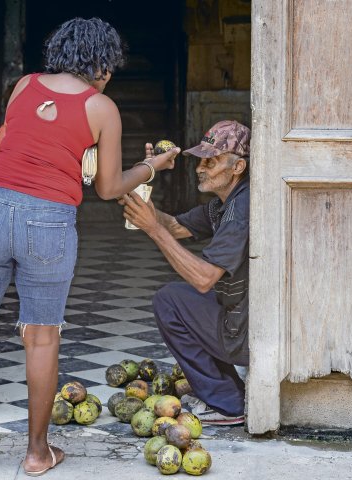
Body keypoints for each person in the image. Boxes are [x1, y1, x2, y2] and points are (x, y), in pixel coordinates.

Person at [0, 17, 180, 474]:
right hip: (48, 219)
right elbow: (109, 187)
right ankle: (37, 453)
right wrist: (152, 166)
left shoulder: (24, 86)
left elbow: (23, 142)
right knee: (41, 336)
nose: (110, 75)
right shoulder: (102, 108)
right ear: (100, 64)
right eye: (110, 66)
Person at [119, 120, 250, 426]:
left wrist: (152, 229)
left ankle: (229, 404)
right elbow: (176, 226)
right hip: (241, 316)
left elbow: (204, 279)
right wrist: (144, 180)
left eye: (211, 161)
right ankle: (227, 393)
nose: (199, 168)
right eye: (200, 160)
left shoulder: (239, 211)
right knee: (177, 297)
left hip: (250, 333)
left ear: (237, 166)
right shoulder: (224, 203)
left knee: (170, 302)